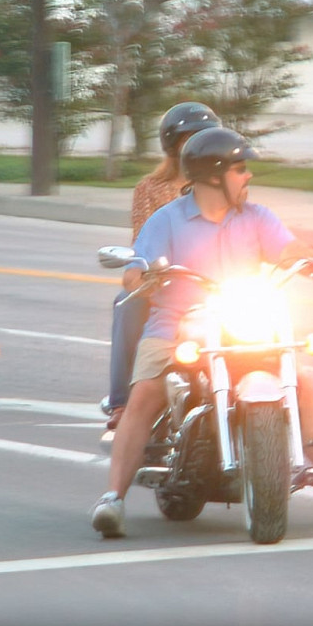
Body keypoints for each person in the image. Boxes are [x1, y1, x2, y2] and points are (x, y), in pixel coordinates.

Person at [90, 126, 313, 538]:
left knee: (300, 385)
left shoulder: (256, 217)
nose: (248, 176)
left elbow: (288, 250)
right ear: (213, 176)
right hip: (177, 324)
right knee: (147, 390)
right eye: (240, 169)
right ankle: (113, 498)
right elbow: (134, 271)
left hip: (242, 320)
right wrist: (145, 276)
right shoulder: (166, 220)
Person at [102, 101, 222, 432]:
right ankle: (121, 402)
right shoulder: (150, 188)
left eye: (206, 137)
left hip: (217, 282)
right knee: (127, 302)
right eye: (190, 138)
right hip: (168, 282)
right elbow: (143, 242)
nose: (199, 145)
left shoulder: (226, 184)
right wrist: (149, 274)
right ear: (173, 146)